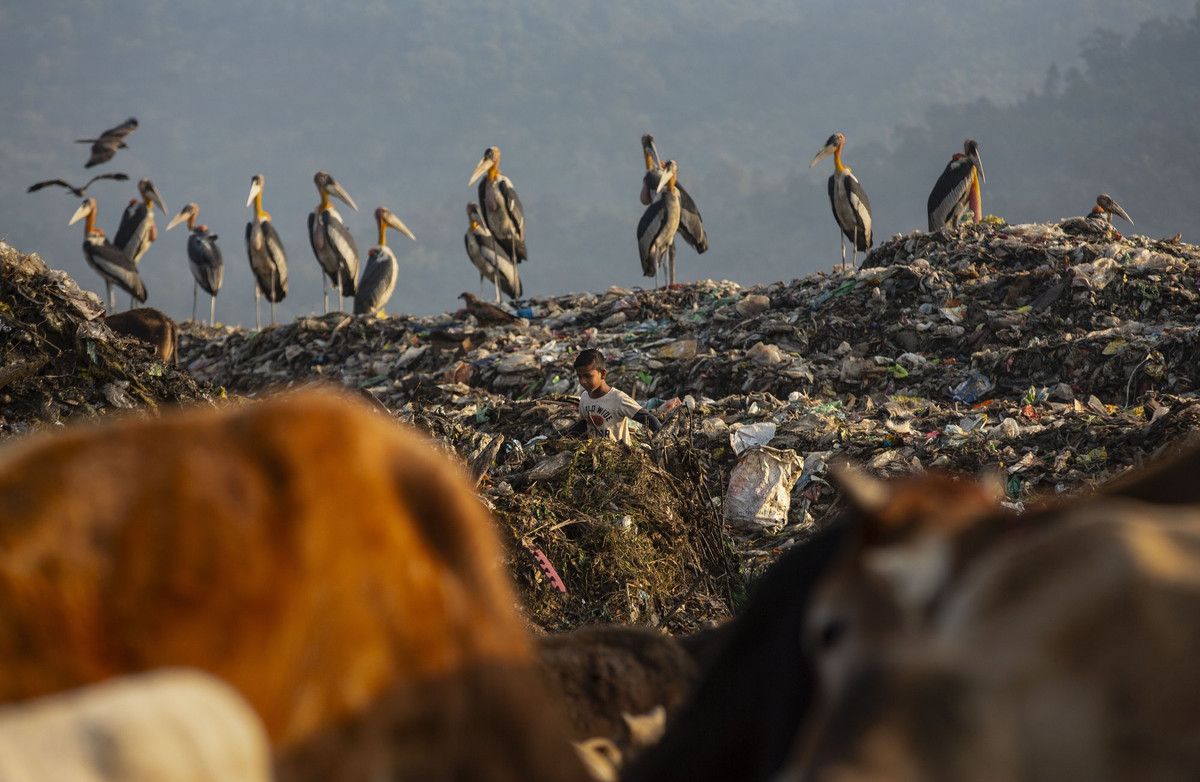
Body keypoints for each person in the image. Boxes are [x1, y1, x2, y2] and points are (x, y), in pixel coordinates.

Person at [566, 349, 661, 444]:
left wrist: (660, 440)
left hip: (619, 454)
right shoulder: (584, 397)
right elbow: (584, 424)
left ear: (603, 374)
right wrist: (559, 437)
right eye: (579, 376)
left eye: (588, 376)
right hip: (594, 452)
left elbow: (650, 420)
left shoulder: (618, 399)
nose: (582, 381)